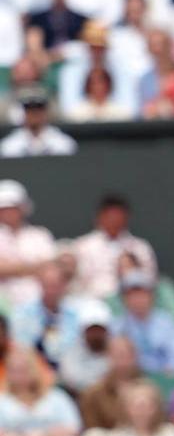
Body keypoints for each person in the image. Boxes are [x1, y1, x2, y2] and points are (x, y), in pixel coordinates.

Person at [0, 346, 82, 436]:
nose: (19, 375)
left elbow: (73, 427)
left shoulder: (56, 397)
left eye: (23, 370)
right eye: (14, 370)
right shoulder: (3, 401)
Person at [71, 194, 157, 301]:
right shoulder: (83, 246)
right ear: (100, 217)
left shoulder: (140, 248)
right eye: (110, 215)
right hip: (93, 302)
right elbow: (77, 282)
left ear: (126, 217)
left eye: (118, 215)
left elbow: (149, 280)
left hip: (129, 304)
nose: (114, 219)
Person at [111, 272, 174, 376]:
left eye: (142, 293)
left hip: (164, 377)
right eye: (132, 295)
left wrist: (173, 370)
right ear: (124, 298)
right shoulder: (117, 326)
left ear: (151, 296)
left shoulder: (165, 322)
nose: (138, 299)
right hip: (131, 379)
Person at [0, 180, 57, 310]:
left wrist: (11, 268)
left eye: (12, 208)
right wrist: (33, 267)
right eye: (3, 209)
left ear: (23, 208)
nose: (7, 213)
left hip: (38, 303)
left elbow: (50, 267)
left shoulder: (40, 235)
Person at [0, 86, 78, 158]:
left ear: (46, 112)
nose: (34, 114)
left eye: (39, 109)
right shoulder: (9, 145)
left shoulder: (62, 143)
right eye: (29, 109)